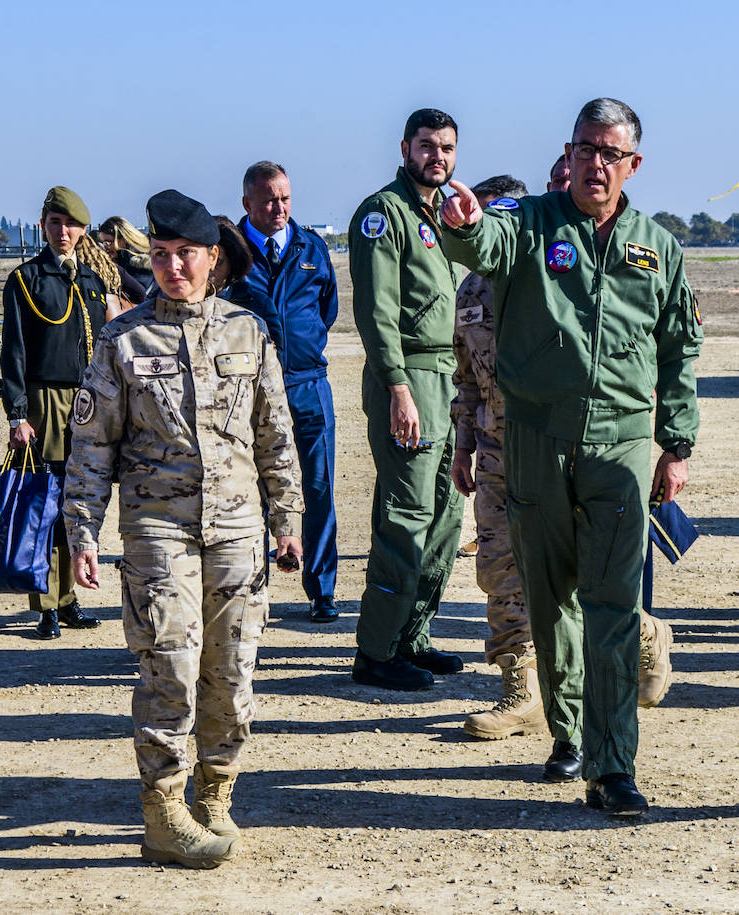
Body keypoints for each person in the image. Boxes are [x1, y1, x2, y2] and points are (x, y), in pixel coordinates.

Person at [440, 97, 701, 816]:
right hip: (534, 439)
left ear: (632, 164)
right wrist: (462, 221)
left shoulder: (658, 245)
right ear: (569, 152)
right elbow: (481, 246)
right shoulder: (530, 225)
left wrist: (674, 441)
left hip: (618, 440)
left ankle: (614, 763)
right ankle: (570, 734)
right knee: (550, 600)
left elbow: (680, 346)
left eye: (610, 153)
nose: (596, 163)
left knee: (614, 604)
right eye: (586, 149)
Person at [62, 189, 304, 868]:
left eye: (185, 255)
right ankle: (163, 809)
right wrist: (82, 531)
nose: (172, 267)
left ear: (213, 260)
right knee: (169, 664)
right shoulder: (123, 339)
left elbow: (275, 436)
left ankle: (216, 790)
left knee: (230, 671)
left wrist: (287, 521)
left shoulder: (247, 333)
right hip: (157, 528)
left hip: (236, 529)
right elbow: (90, 448)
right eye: (161, 255)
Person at [347, 108, 465, 690]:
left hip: (449, 377)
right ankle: (375, 652)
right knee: (406, 515)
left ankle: (411, 636)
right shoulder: (383, 214)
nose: (436, 157)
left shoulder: (443, 214)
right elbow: (376, 311)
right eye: (426, 146)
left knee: (446, 515)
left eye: (445, 147)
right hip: (410, 377)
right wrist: (397, 388)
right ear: (404, 148)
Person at [451, 175, 546, 739]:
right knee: (497, 565)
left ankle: (639, 639)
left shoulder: (549, 282)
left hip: (553, 446)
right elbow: (467, 376)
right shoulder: (470, 291)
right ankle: (521, 688)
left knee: (574, 570)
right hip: (493, 447)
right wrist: (464, 443)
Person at [0, 186, 113, 640]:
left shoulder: (91, 281)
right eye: (54, 223)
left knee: (76, 501)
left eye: (71, 225)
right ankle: (45, 602)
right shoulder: (25, 279)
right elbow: (14, 351)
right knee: (43, 503)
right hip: (44, 403)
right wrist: (17, 413)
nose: (62, 232)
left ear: (84, 230)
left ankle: (69, 599)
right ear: (42, 225)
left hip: (87, 404)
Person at [232, 161, 341, 623]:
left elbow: (327, 309)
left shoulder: (311, 248)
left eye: (286, 199)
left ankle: (322, 589)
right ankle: (251, 592)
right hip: (249, 393)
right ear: (247, 204)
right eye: (270, 200)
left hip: (307, 384)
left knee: (318, 488)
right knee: (251, 491)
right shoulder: (229, 255)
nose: (280, 208)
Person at [98, 215, 153, 304]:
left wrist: (114, 268)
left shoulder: (141, 262)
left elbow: (141, 295)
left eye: (109, 242)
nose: (106, 247)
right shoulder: (120, 260)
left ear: (124, 239)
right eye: (103, 242)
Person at [211, 216, 253, 294]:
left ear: (233, 264)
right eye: (204, 261)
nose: (209, 269)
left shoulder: (258, 304)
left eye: (217, 262)